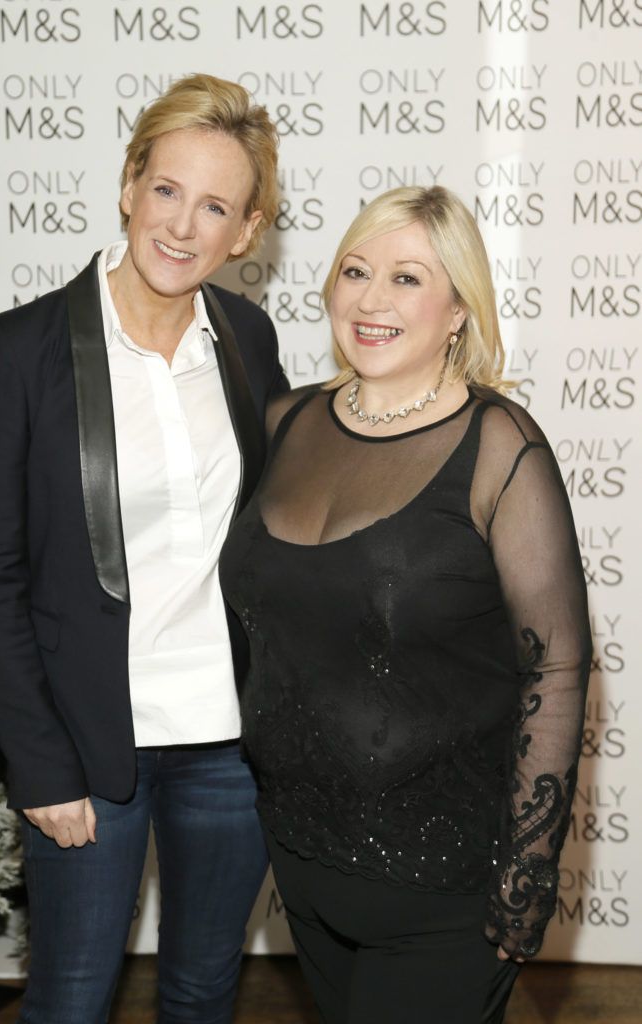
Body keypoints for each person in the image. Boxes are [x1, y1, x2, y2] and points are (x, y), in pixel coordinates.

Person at [0, 74, 288, 1024]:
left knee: (202, 986)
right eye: (168, 190)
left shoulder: (247, 341)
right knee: (70, 997)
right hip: (88, 742)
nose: (183, 226)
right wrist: (40, 764)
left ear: (245, 232)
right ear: (129, 187)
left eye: (216, 205)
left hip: (228, 742)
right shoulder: (23, 350)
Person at [219, 185, 591, 1024]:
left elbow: (557, 667)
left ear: (458, 307)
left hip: (443, 889)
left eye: (407, 279)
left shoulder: (499, 447)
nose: (371, 299)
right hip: (303, 864)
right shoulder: (286, 421)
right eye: (356, 270)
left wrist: (526, 878)